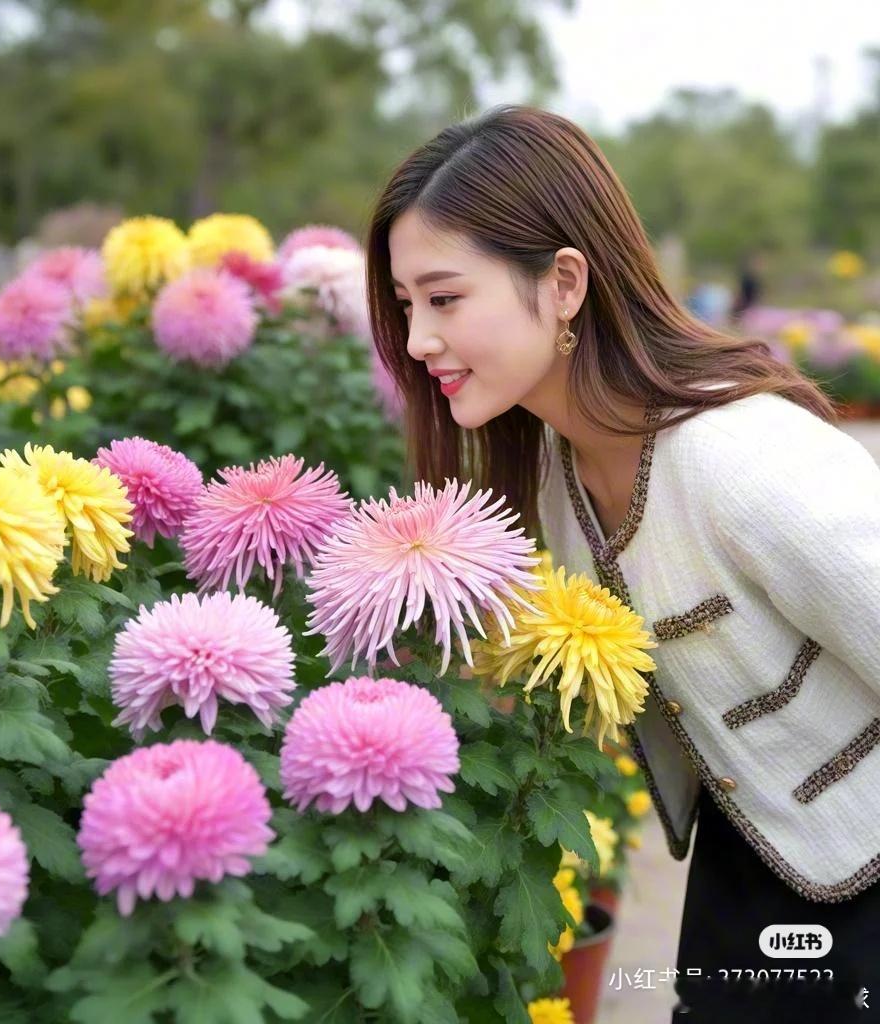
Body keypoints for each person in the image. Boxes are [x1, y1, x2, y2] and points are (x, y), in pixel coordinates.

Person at [365, 105, 880, 1023]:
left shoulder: (745, 459)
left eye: (444, 299)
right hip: (749, 862)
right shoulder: (554, 474)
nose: (416, 342)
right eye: (406, 306)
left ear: (564, 283)